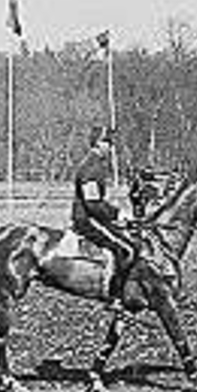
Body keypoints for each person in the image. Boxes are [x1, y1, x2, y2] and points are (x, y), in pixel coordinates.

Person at [72, 126, 134, 307]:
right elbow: (92, 203)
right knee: (123, 249)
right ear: (98, 144)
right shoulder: (91, 168)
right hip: (87, 219)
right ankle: (115, 298)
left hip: (94, 216)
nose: (111, 148)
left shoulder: (96, 164)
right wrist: (118, 214)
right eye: (108, 143)